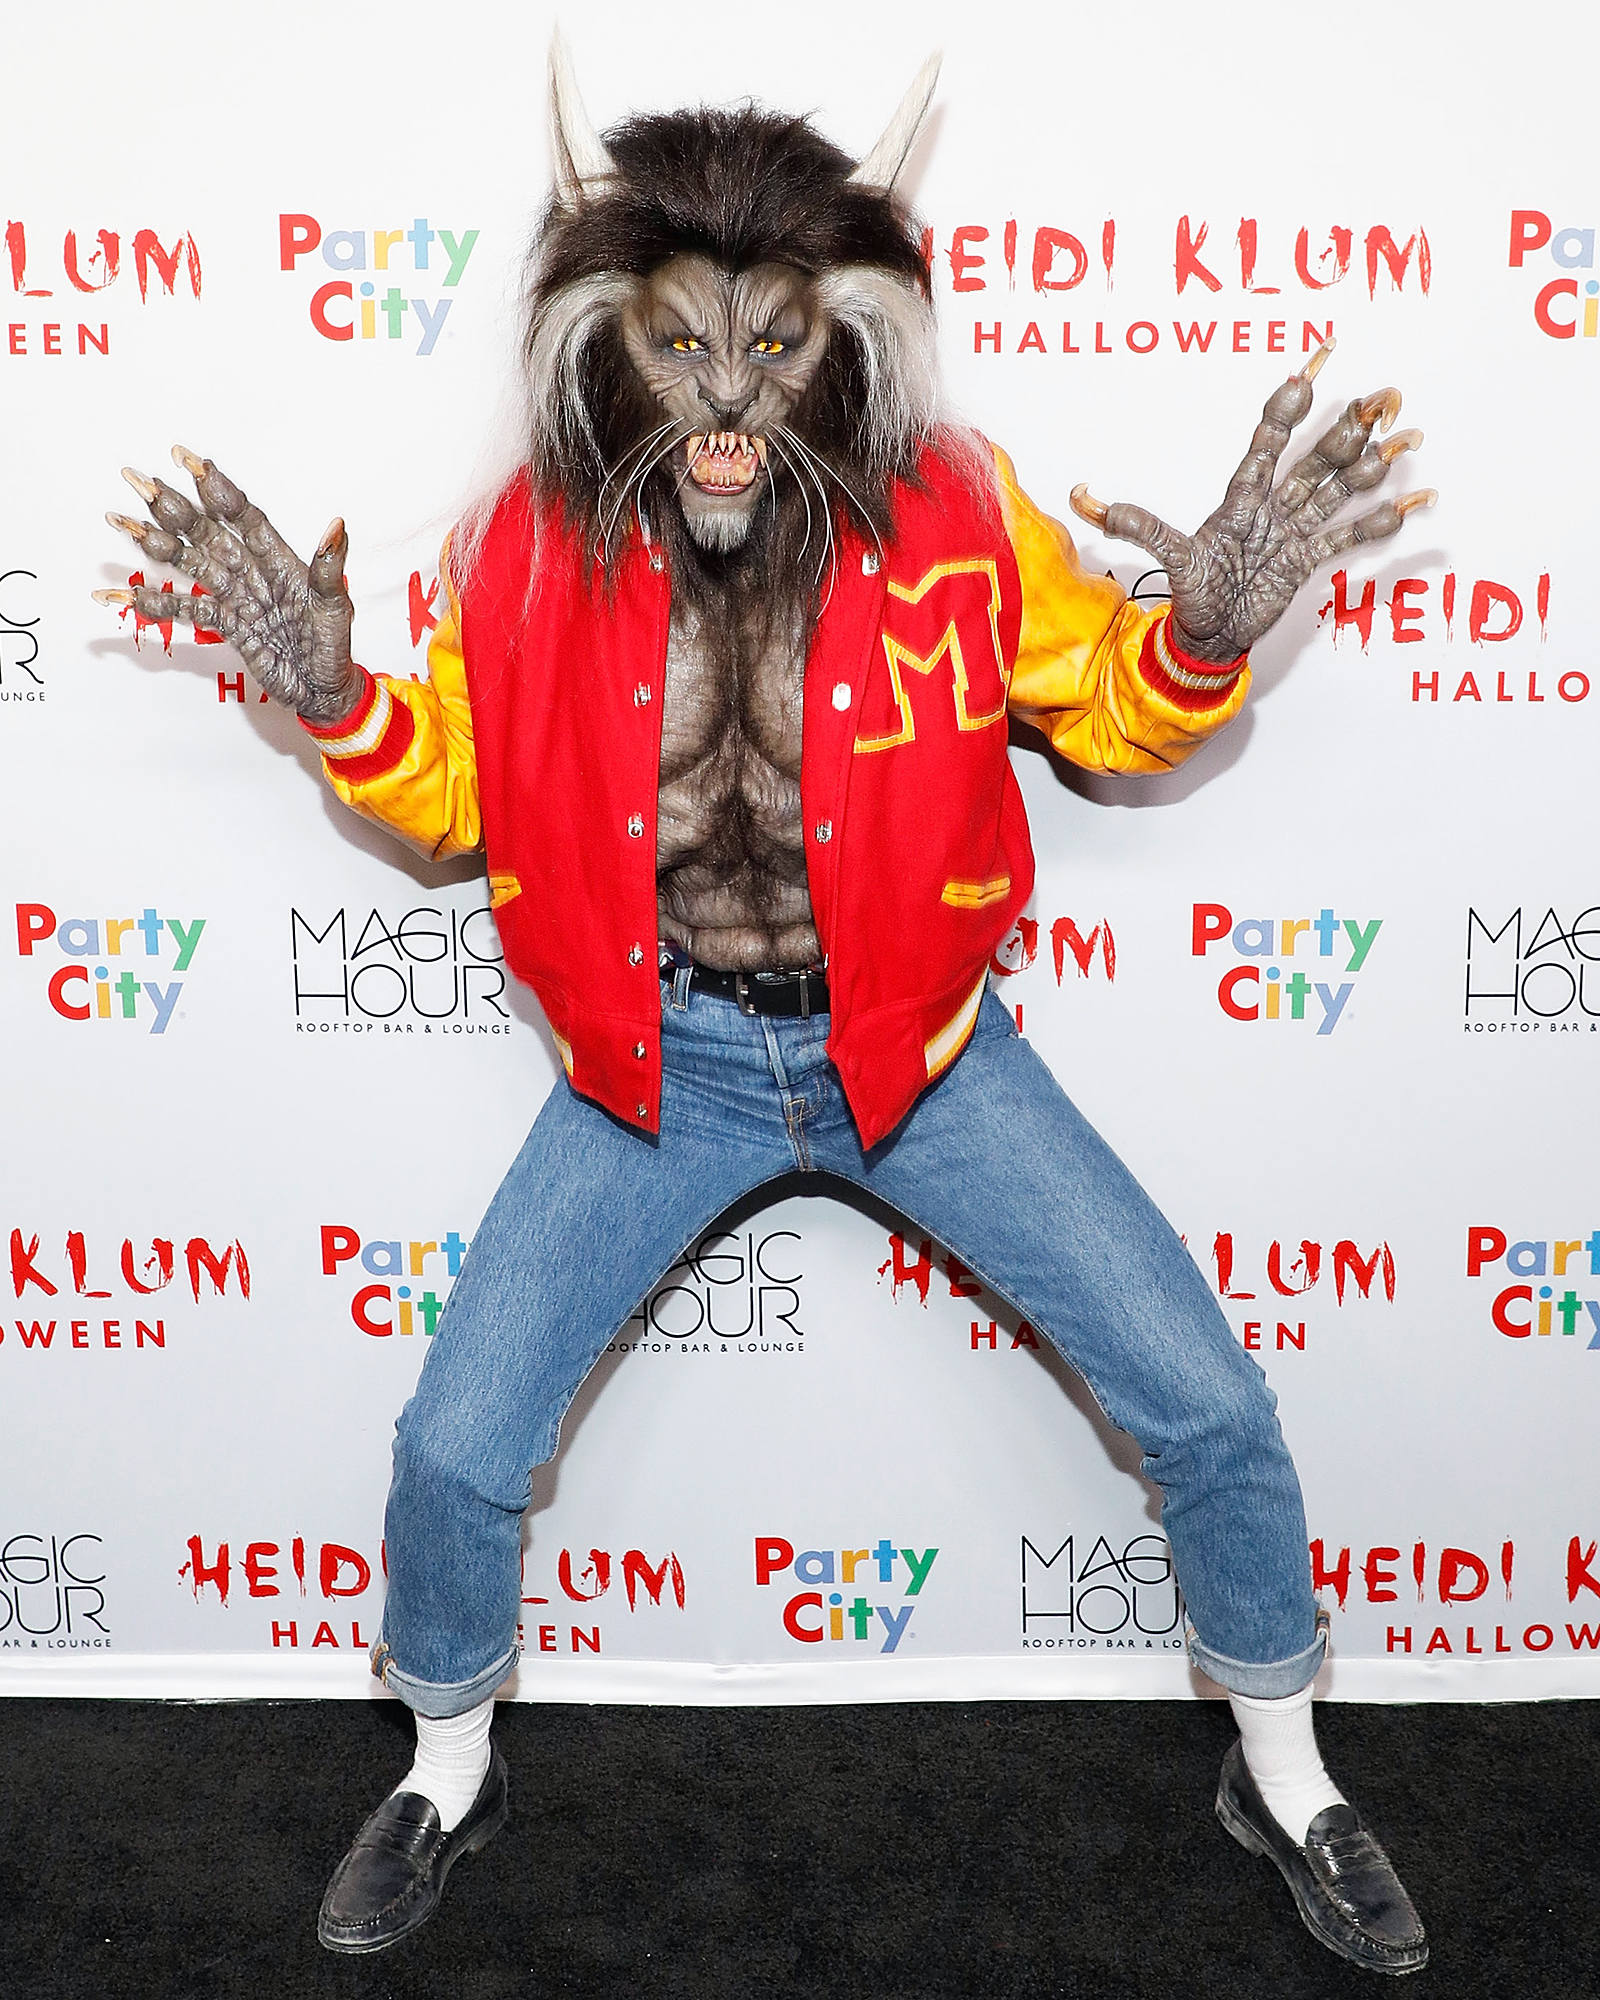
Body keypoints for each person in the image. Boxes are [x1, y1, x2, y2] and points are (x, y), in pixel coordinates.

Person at [98, 44, 1433, 1976]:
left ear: (847, 345)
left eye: (776, 344)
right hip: (664, 1061)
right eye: (680, 343)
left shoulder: (959, 513)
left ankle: (1287, 1772)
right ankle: (447, 1771)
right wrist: (330, 699)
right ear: (604, 347)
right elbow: (456, 792)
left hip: (926, 1056)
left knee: (1210, 1402)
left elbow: (1115, 712)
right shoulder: (525, 552)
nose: (727, 396)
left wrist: (1209, 628)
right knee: (456, 1446)